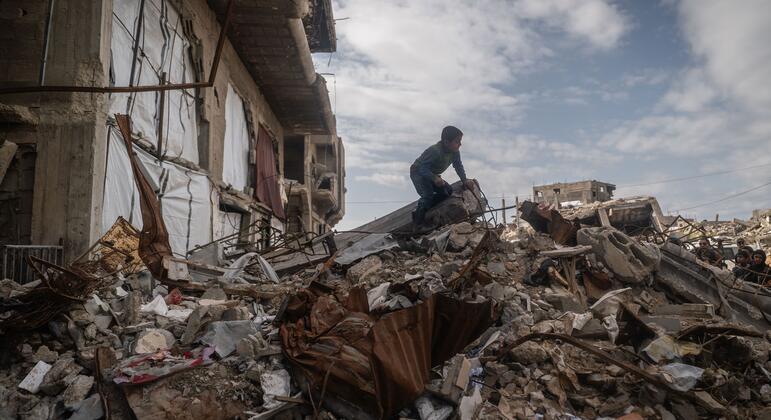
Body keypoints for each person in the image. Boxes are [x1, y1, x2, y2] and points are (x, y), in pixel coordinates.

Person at [410, 126, 474, 226]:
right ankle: (417, 223)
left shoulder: (455, 153)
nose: (460, 144)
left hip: (431, 174)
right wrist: (434, 178)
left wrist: (464, 180)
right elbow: (422, 169)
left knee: (447, 191)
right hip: (418, 172)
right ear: (446, 142)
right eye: (457, 141)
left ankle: (424, 207)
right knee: (428, 194)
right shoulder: (435, 151)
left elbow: (458, 166)